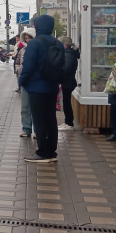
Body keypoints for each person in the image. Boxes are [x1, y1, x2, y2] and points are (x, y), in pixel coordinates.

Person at [19, 15, 63, 163]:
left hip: (37, 87)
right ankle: (51, 151)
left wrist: (22, 81)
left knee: (39, 120)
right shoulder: (58, 43)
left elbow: (28, 66)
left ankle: (43, 152)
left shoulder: (35, 43)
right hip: (52, 86)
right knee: (50, 119)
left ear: (37, 26)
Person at [14, 28, 35, 137]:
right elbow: (17, 62)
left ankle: (36, 130)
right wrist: (19, 70)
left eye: (29, 38)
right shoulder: (22, 50)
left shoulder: (37, 49)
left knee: (36, 108)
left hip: (35, 81)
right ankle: (26, 129)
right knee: (25, 107)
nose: (27, 40)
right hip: (24, 81)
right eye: (26, 38)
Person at [59, 37, 80, 131]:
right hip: (68, 82)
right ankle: (67, 122)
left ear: (64, 45)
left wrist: (57, 76)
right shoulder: (69, 54)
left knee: (67, 103)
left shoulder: (68, 55)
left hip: (68, 83)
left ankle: (69, 123)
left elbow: (65, 69)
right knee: (66, 103)